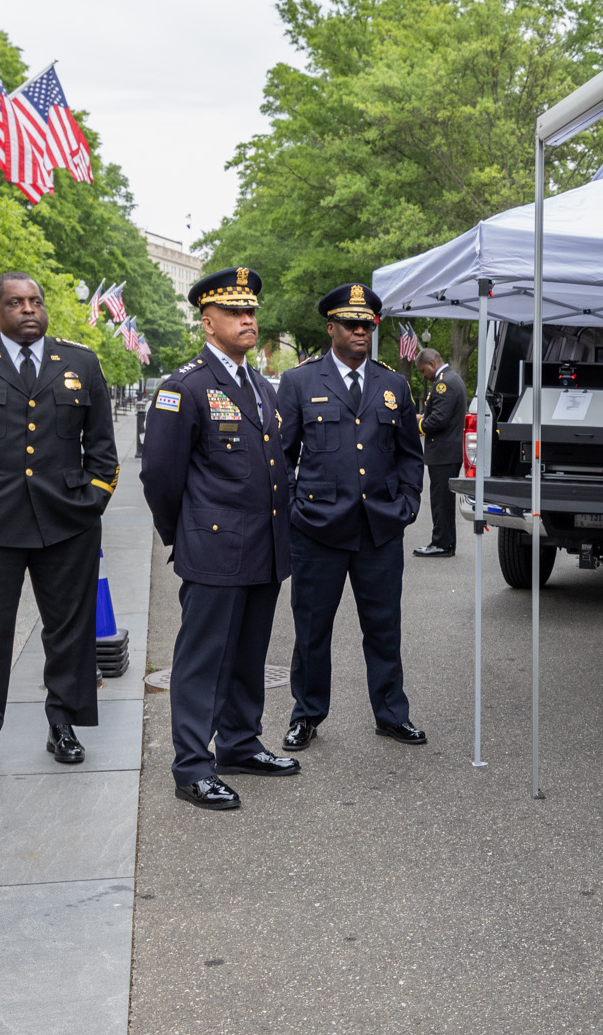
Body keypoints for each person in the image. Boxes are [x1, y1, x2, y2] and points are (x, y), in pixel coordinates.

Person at [0, 272, 119, 772]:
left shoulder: (81, 361)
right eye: (16, 303)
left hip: (67, 522)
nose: (29, 309)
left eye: (35, 301)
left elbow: (102, 447)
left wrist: (92, 504)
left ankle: (64, 725)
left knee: (70, 632)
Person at [141, 266, 297, 809]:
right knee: (203, 659)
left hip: (265, 545)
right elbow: (160, 475)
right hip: (213, 548)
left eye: (251, 311)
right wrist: (182, 535)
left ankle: (239, 743)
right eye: (235, 312)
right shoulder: (185, 386)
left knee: (249, 654)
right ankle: (191, 766)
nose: (248, 319)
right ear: (208, 322)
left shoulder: (256, 383)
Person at [276, 283, 426, 751]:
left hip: (378, 529)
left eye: (367, 324)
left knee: (383, 628)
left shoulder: (392, 383)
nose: (361, 331)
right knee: (312, 630)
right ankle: (307, 714)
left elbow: (409, 454)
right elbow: (281, 457)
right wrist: (298, 506)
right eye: (351, 324)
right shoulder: (300, 382)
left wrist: (406, 505)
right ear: (332, 328)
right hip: (318, 530)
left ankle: (390, 713)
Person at [412, 347, 466, 558]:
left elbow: (438, 419)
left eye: (423, 370)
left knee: (440, 501)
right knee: (443, 500)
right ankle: (446, 542)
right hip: (447, 451)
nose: (423, 375)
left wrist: (415, 427)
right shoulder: (451, 378)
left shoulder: (444, 383)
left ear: (432, 363)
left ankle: (441, 544)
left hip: (444, 452)